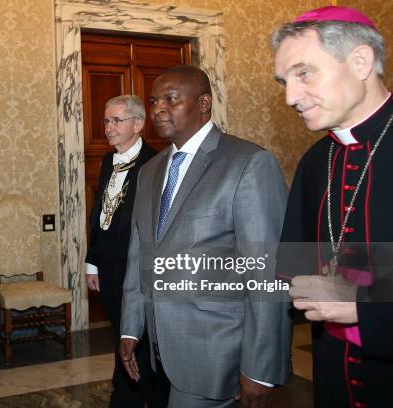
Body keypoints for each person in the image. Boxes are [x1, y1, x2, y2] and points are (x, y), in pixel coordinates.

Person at [119, 65, 292, 408]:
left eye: (171, 98)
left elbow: (269, 273)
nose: (158, 109)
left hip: (220, 350)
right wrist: (130, 327)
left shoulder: (248, 163)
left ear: (203, 104)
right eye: (154, 101)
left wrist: (261, 368)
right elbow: (140, 255)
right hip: (163, 348)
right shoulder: (150, 172)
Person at [272, 6, 393, 407]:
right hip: (333, 376)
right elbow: (296, 269)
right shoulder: (314, 161)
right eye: (284, 81)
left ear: (360, 61)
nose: (290, 97)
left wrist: (366, 307)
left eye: (304, 73)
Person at [85, 95, 168, 407]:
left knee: (141, 340)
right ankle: (127, 392)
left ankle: (139, 396)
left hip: (138, 268)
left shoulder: (156, 163)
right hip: (108, 265)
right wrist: (92, 262)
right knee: (121, 333)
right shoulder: (108, 160)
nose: (108, 127)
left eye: (116, 120)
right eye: (106, 121)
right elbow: (100, 215)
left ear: (138, 124)